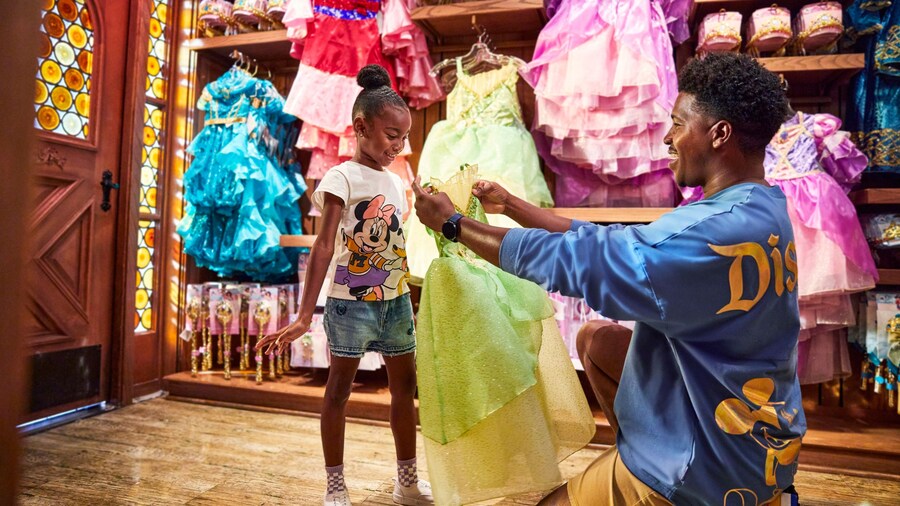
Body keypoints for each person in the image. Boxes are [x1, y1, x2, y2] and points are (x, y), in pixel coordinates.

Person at [412, 53, 806, 506]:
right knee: (597, 340)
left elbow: (584, 260)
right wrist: (515, 207)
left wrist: (454, 225)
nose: (667, 137)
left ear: (719, 134)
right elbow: (621, 241)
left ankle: (657, 488)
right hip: (758, 446)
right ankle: (643, 458)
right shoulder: (761, 208)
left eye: (678, 124)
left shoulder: (708, 234)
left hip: (707, 471)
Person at [256, 64, 433, 506]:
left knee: (404, 388)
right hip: (349, 305)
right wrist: (302, 315)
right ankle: (335, 485)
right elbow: (322, 246)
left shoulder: (396, 181)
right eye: (392, 134)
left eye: (404, 136)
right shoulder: (341, 177)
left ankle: (406, 481)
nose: (399, 145)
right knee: (338, 389)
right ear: (361, 127)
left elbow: (395, 246)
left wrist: (410, 298)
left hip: (393, 303)